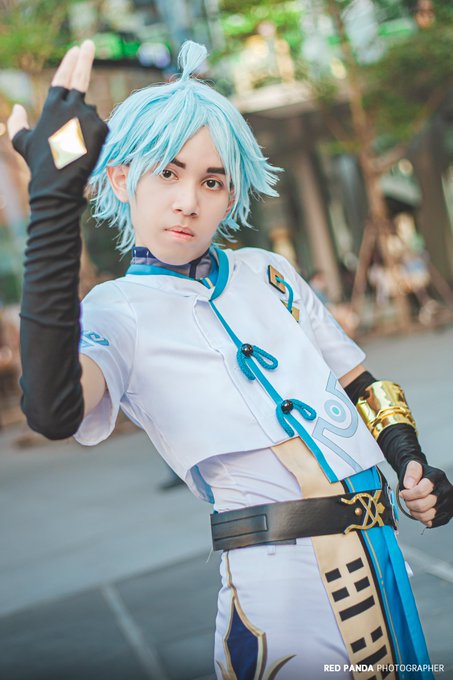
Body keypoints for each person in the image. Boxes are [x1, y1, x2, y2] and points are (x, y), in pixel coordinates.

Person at [8, 40, 453, 679]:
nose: (189, 200)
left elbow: (358, 381)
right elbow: (53, 409)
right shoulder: (116, 310)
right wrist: (52, 204)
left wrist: (411, 462)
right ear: (121, 179)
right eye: (167, 172)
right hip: (280, 591)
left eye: (212, 180)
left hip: (384, 560)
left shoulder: (269, 273)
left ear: (231, 193)